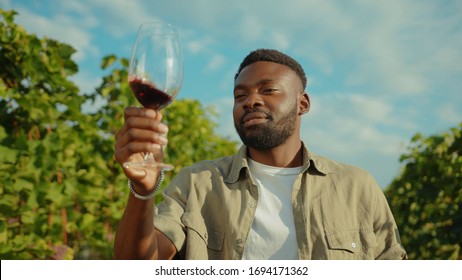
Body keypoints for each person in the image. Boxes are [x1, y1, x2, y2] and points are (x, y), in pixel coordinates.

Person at [113, 48, 407, 260]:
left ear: (302, 103)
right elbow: (138, 264)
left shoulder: (356, 186)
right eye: (240, 95)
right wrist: (142, 190)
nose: (251, 100)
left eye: (268, 90)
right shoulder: (197, 183)